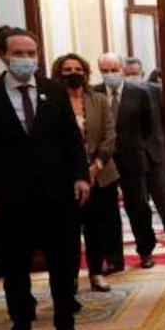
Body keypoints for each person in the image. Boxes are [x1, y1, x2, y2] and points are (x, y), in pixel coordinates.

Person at [0, 27, 90, 330]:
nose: (26, 59)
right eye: (19, 53)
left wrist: (81, 177)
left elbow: (71, 139)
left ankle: (65, 326)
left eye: (31, 53)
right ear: (3, 55)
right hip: (10, 197)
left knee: (63, 264)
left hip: (57, 195)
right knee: (15, 268)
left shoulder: (53, 91)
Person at [52, 54, 119, 293]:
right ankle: (69, 276)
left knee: (96, 227)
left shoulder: (98, 99)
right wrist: (76, 172)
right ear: (59, 73)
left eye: (78, 69)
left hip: (101, 174)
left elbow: (110, 136)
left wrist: (95, 166)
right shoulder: (51, 101)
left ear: (86, 72)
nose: (74, 73)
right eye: (67, 69)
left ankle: (96, 273)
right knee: (68, 231)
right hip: (66, 177)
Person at [96, 53, 158, 269]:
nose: (110, 74)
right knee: (107, 210)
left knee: (139, 207)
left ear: (121, 69)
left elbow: (148, 126)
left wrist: (135, 146)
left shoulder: (139, 93)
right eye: (105, 71)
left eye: (113, 69)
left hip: (133, 159)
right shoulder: (94, 93)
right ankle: (113, 258)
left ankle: (146, 251)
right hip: (104, 161)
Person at [124, 57, 165, 235]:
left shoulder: (156, 91)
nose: (132, 77)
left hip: (155, 152)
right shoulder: (119, 94)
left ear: (142, 73)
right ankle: (145, 234)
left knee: (162, 193)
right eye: (128, 74)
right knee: (138, 200)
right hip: (131, 155)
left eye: (135, 73)